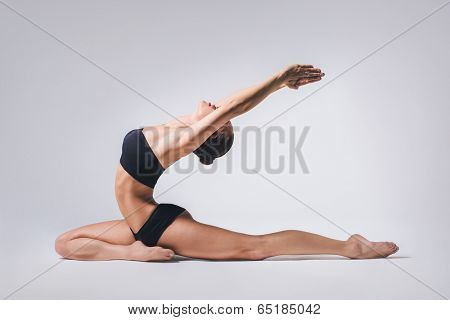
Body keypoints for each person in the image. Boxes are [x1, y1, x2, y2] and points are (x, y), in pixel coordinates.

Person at [55, 64, 399, 262]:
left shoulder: (182, 139)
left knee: (254, 247)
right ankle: (133, 251)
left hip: (152, 225)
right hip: (139, 224)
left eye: (220, 116)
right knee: (63, 243)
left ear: (207, 133)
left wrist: (279, 80)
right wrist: (128, 255)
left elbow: (236, 106)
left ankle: (350, 247)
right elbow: (231, 104)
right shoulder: (179, 125)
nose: (219, 107)